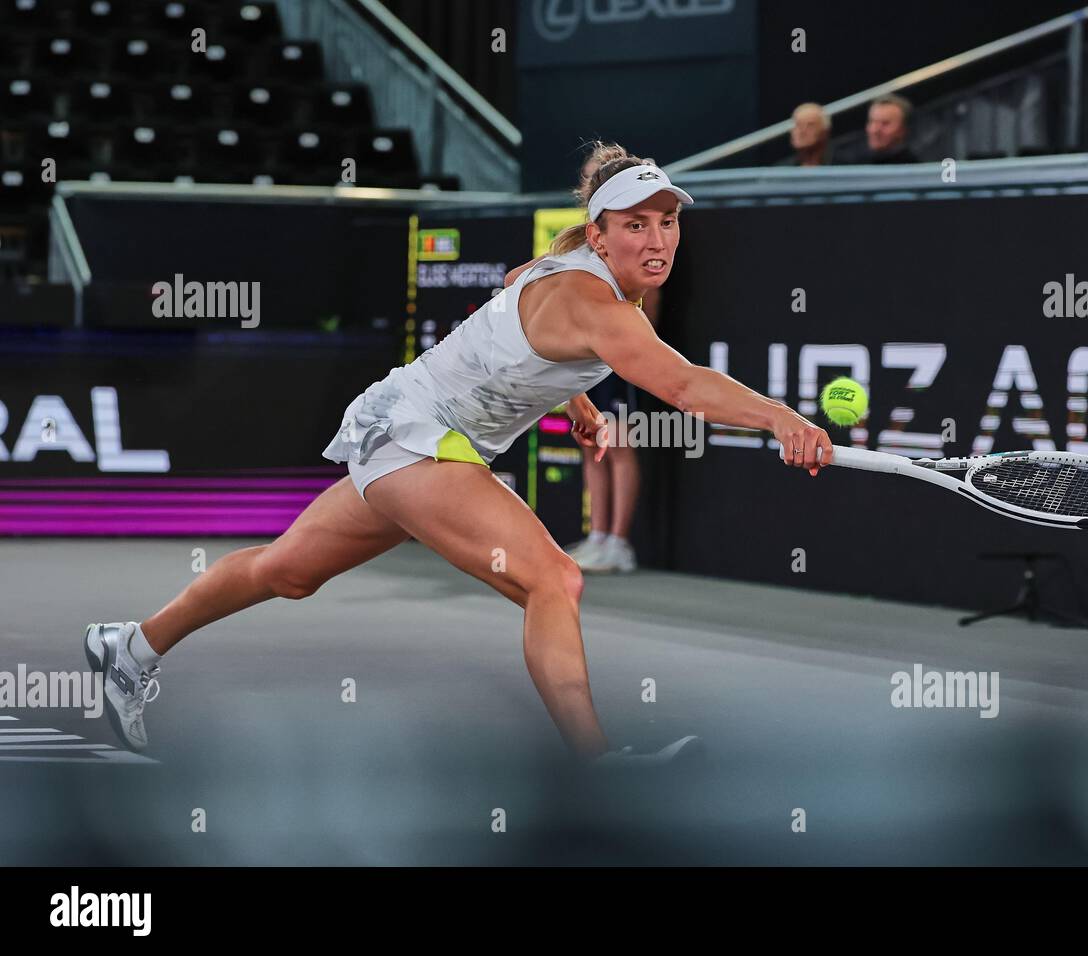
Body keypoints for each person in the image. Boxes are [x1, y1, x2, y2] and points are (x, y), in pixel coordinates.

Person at [83, 142, 834, 767]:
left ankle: (132, 645)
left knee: (290, 571)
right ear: (600, 235)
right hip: (417, 433)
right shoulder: (596, 302)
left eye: (667, 222)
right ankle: (598, 767)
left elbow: (517, 292)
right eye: (636, 225)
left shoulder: (568, 267)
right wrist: (778, 418)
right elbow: (682, 383)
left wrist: (574, 399)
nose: (658, 240)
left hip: (399, 426)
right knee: (554, 579)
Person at [563, 149, 659, 573]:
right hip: (586, 359)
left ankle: (620, 543)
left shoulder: (638, 236)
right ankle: (598, 536)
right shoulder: (583, 242)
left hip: (619, 360)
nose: (589, 186)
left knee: (619, 445)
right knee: (592, 447)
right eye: (588, 179)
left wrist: (626, 350)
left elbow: (646, 306)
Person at [838, 94, 919, 165]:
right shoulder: (851, 162)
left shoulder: (914, 170)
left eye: (885, 123)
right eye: (872, 121)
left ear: (903, 129)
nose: (875, 130)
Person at [774, 103, 838, 167]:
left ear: (825, 132)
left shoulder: (842, 166)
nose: (802, 131)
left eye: (810, 125)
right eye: (798, 125)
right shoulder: (780, 171)